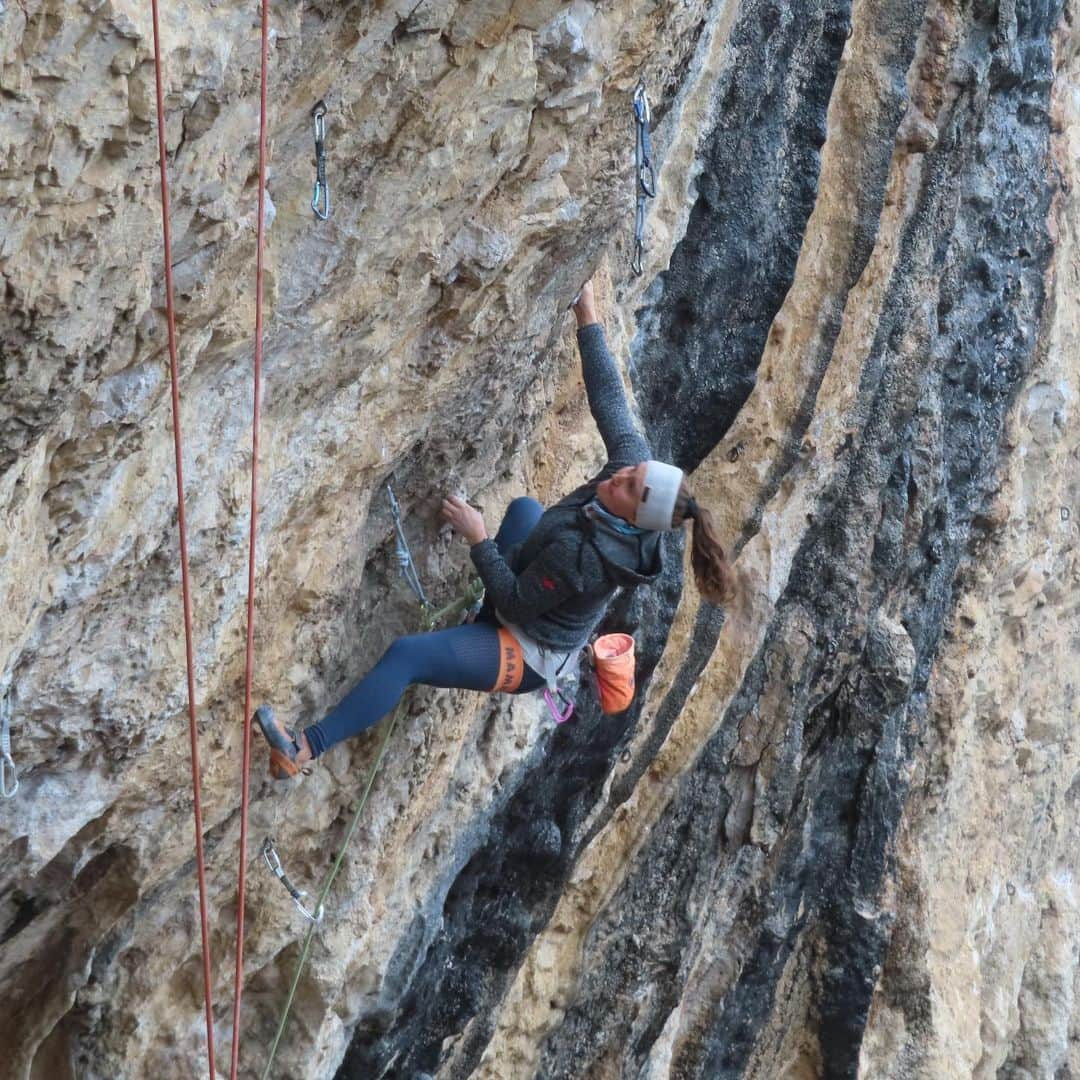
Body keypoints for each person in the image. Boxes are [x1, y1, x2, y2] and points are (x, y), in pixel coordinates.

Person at [255, 281, 736, 778]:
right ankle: (472, 633)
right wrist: (586, 313)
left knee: (405, 657)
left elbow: (515, 601)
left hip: (527, 648)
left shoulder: (586, 558)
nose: (618, 476)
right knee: (527, 509)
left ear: (634, 519)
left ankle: (305, 748)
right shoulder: (632, 475)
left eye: (628, 486)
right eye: (630, 472)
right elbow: (609, 400)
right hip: (532, 594)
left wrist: (477, 537)